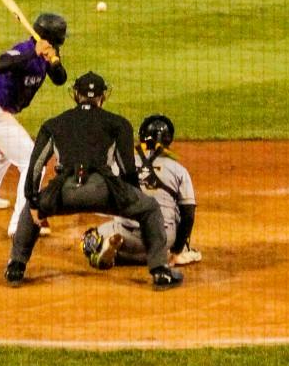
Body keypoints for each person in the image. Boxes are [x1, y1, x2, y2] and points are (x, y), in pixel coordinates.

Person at [5, 71, 184, 290]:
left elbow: (36, 165)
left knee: (30, 211)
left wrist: (34, 202)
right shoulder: (118, 123)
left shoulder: (54, 124)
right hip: (104, 189)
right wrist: (132, 198)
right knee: (150, 208)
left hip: (65, 190)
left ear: (75, 95)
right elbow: (127, 169)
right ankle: (160, 271)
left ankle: (15, 267)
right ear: (103, 96)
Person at [0, 10, 68, 234]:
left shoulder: (50, 52)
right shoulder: (25, 49)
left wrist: (53, 62)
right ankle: (20, 225)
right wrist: (33, 52)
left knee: (4, 152)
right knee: (32, 162)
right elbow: (1, 64)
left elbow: (60, 79)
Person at [82, 113, 201, 271]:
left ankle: (110, 250)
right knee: (178, 211)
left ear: (142, 137)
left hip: (127, 236)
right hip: (162, 240)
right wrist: (176, 250)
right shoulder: (179, 170)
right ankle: (175, 253)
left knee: (90, 239)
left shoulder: (121, 164)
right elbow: (189, 215)